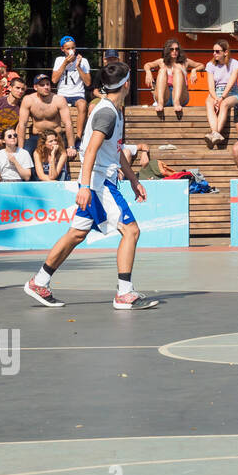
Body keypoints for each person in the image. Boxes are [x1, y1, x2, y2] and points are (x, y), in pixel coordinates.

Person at [23, 60, 158, 309]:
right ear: (126, 84)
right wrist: (85, 186)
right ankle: (124, 293)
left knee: (76, 233)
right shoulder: (107, 113)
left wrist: (133, 179)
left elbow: (115, 150)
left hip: (98, 180)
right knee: (131, 231)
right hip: (99, 182)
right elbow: (91, 152)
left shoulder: (114, 110)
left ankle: (38, 282)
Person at [18, 73, 76, 159]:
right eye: (42, 85)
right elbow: (22, 124)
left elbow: (68, 123)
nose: (46, 87)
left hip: (55, 136)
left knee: (61, 156)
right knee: (25, 154)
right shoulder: (28, 100)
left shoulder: (59, 100)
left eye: (48, 84)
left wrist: (71, 146)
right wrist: (20, 148)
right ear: (35, 87)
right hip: (37, 137)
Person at [144, 39, 204, 117]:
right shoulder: (161, 62)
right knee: (162, 70)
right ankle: (160, 103)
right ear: (167, 50)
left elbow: (201, 65)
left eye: (177, 49)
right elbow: (147, 65)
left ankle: (176, 102)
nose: (174, 51)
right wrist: (148, 72)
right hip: (165, 95)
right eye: (171, 49)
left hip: (181, 96)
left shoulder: (185, 62)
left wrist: (194, 70)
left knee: (177, 70)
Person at [203, 38, 238, 147]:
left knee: (224, 104)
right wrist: (216, 98)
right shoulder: (210, 65)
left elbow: (231, 83)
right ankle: (215, 134)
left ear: (225, 52)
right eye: (213, 51)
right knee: (208, 102)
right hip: (216, 92)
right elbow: (211, 86)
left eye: (217, 51)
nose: (214, 54)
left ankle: (215, 134)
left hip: (231, 93)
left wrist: (222, 98)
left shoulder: (235, 64)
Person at [52, 36, 92, 138]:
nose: (71, 51)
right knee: (54, 106)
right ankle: (57, 135)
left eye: (73, 48)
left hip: (77, 94)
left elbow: (88, 83)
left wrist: (78, 66)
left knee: (83, 105)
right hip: (62, 94)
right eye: (68, 48)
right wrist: (65, 63)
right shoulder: (59, 60)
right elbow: (54, 80)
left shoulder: (83, 61)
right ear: (62, 49)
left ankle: (78, 136)